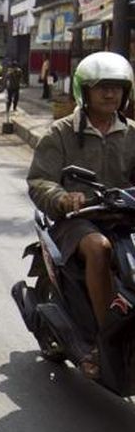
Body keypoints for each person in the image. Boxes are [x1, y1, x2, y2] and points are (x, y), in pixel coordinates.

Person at [27, 52, 135, 378]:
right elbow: (39, 180)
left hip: (124, 216)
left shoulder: (132, 133)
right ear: (84, 91)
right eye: (101, 87)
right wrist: (62, 198)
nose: (109, 94)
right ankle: (105, 340)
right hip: (77, 220)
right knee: (98, 248)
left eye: (116, 88)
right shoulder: (60, 133)